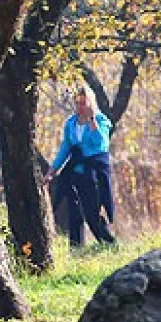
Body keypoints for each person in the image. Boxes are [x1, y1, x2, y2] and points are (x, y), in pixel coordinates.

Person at [44, 85, 116, 247]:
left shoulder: (101, 120)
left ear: (90, 103)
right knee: (73, 210)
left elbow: (101, 143)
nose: (80, 107)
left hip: (93, 171)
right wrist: (51, 171)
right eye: (77, 103)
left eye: (83, 103)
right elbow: (66, 148)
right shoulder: (71, 123)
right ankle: (75, 247)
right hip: (76, 169)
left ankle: (109, 244)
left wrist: (92, 121)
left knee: (92, 213)